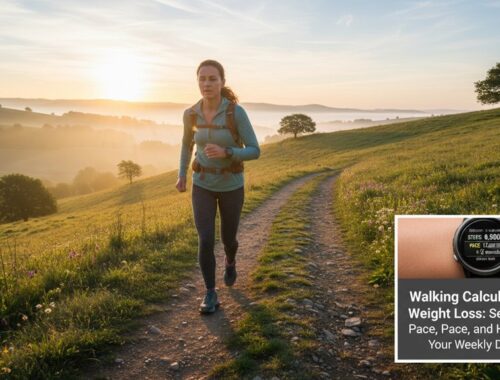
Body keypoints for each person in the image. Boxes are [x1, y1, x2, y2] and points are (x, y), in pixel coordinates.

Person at [176, 59, 260, 314]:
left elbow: (255, 150)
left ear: (222, 82)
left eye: (212, 79)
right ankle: (210, 293)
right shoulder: (190, 113)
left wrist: (227, 151)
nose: (207, 84)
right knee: (205, 238)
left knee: (228, 238)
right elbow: (186, 145)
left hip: (231, 185)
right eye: (202, 79)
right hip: (202, 184)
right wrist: (182, 175)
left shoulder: (236, 112)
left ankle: (231, 260)